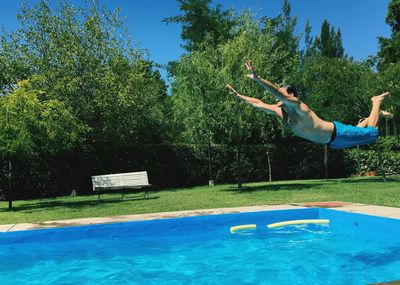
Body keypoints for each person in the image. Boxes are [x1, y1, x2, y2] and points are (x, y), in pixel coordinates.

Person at [226, 61, 392, 149]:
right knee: (362, 131)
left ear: (290, 95)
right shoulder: (280, 112)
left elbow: (276, 91)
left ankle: (376, 102)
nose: (278, 97)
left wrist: (258, 78)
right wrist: (239, 95)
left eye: (283, 93)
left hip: (337, 133)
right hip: (332, 143)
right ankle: (374, 115)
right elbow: (258, 103)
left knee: (372, 133)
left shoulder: (298, 106)